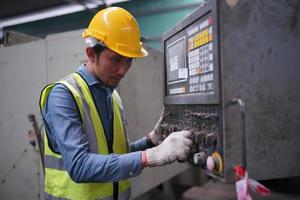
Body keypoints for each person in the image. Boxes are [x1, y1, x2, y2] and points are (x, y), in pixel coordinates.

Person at [40, 7, 193, 200]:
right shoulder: (64, 96)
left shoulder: (112, 96)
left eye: (129, 61)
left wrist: (151, 140)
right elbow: (79, 167)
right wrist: (151, 156)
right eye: (115, 59)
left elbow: (116, 154)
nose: (122, 70)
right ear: (91, 54)